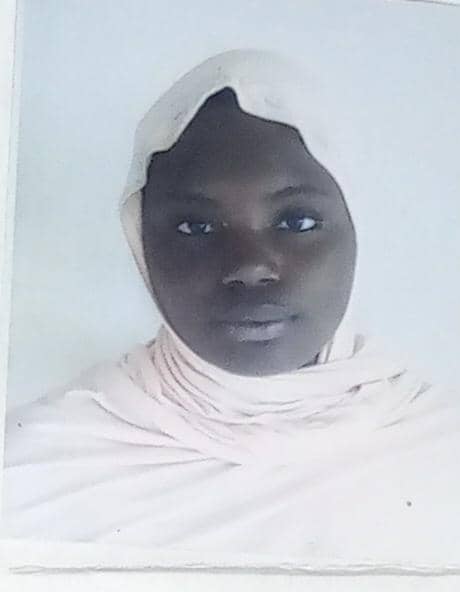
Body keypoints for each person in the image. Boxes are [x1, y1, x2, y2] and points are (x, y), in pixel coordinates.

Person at [2, 49, 459, 568]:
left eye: (297, 221)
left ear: (356, 227)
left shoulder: (442, 450)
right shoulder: (33, 470)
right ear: (141, 241)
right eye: (196, 226)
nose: (250, 266)